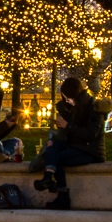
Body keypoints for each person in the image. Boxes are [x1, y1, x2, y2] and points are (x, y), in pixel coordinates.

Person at [33, 78, 105, 209]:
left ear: (75, 94)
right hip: (77, 145)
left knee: (58, 158)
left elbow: (90, 135)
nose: (67, 101)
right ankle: (48, 177)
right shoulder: (77, 107)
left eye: (68, 98)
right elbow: (74, 129)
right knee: (52, 144)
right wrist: (64, 126)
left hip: (90, 151)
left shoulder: (94, 107)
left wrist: (68, 126)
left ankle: (63, 196)